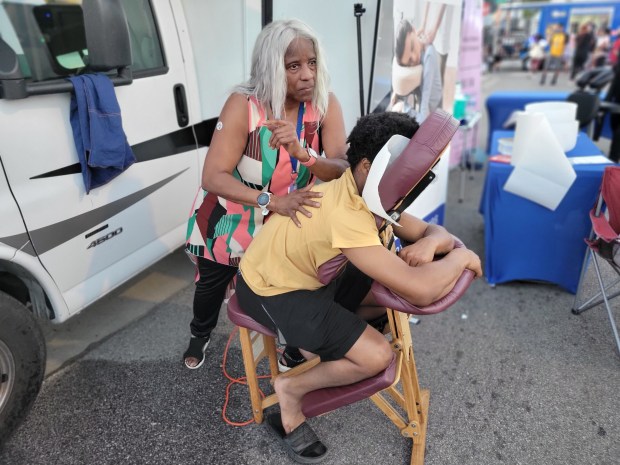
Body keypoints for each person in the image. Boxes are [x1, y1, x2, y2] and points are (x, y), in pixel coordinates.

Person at [236, 111, 482, 462]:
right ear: (368, 167)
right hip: (271, 288)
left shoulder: (368, 193)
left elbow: (429, 232)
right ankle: (290, 390)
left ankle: (308, 348)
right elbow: (420, 288)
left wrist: (432, 242)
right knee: (377, 356)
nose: (409, 186)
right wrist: (462, 258)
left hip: (310, 276)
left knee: (386, 300)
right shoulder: (348, 213)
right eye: (405, 176)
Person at [182, 19, 350, 370]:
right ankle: (200, 333)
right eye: (294, 66)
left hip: (288, 221)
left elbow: (340, 168)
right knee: (211, 286)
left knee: (296, 288)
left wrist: (306, 155)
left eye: (312, 63)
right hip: (229, 218)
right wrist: (272, 202)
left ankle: (291, 348)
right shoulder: (243, 106)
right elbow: (213, 176)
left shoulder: (324, 105)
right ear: (272, 68)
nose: (307, 75)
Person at [390, 19, 442, 122]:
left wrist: (404, 107)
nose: (414, 58)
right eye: (409, 62)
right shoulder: (417, 53)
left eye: (413, 47)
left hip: (432, 109)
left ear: (414, 30)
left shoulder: (429, 56)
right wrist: (397, 92)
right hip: (421, 99)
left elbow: (423, 119)